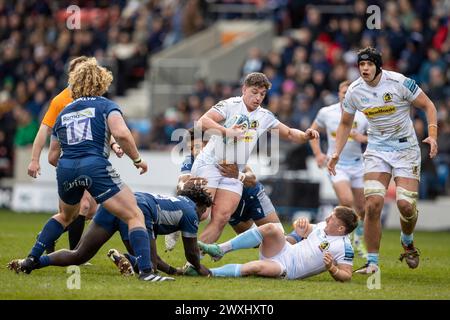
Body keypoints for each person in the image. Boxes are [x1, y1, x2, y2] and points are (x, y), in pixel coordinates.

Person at [7, 58, 159, 281]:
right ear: (101, 83)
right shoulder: (106, 105)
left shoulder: (64, 112)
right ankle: (147, 272)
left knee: (65, 216)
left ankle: (32, 258)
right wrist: (137, 159)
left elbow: (54, 154)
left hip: (66, 168)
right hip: (94, 165)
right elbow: (123, 134)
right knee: (134, 213)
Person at [327, 47, 439, 274]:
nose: (364, 69)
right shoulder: (354, 91)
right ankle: (373, 263)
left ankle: (407, 240)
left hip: (405, 149)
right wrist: (336, 152)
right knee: (373, 204)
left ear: (378, 66)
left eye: (369, 64)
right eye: (361, 65)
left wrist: (433, 135)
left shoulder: (399, 82)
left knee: (405, 205)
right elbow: (345, 123)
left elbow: (429, 105)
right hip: (377, 149)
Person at [192, 72, 319, 244]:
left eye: (262, 94)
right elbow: (202, 121)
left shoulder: (264, 116)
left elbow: (289, 132)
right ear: (244, 89)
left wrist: (305, 136)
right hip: (211, 164)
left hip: (233, 172)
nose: (258, 97)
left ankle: (193, 263)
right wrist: (227, 132)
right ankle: (176, 226)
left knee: (221, 217)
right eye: (254, 92)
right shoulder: (230, 104)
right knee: (203, 212)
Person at [8, 180, 213, 280]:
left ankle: (32, 263)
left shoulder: (178, 202)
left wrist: (171, 270)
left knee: (79, 254)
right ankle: (131, 261)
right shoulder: (191, 213)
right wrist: (199, 268)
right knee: (148, 264)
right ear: (201, 206)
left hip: (116, 203)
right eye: (206, 211)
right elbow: (191, 252)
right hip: (137, 211)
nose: (204, 216)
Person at [27, 56, 123, 252]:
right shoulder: (61, 100)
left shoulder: (94, 100)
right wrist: (34, 160)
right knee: (85, 207)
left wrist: (113, 144)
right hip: (72, 159)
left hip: (85, 159)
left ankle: (47, 236)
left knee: (87, 211)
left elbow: (100, 128)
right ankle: (75, 253)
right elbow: (44, 130)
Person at [165, 128, 284, 251]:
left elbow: (252, 180)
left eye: (196, 146)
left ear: (208, 144)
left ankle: (298, 241)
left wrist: (237, 174)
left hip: (250, 197)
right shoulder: (192, 160)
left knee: (278, 238)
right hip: (230, 205)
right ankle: (192, 258)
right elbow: (181, 183)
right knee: (254, 241)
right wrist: (186, 186)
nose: (193, 151)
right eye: (190, 148)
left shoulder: (226, 154)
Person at [288, 80, 368, 256]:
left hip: (357, 164)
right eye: (343, 91)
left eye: (349, 92)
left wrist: (361, 138)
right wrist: (318, 154)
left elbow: (376, 137)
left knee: (362, 208)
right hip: (336, 164)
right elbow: (312, 132)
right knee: (346, 201)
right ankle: (338, 238)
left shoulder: (364, 113)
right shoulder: (327, 112)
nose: (346, 94)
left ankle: (357, 238)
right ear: (338, 93)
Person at [198, 206, 357, 282]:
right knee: (271, 228)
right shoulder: (323, 225)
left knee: (255, 267)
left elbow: (347, 276)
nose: (327, 219)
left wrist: (333, 269)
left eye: (331, 219)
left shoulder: (344, 247)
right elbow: (301, 231)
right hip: (285, 249)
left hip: (287, 269)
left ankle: (207, 272)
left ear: (341, 228)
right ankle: (220, 250)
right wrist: (299, 226)